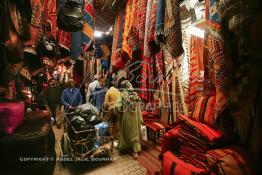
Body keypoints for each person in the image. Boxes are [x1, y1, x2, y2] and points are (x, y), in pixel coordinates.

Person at [118, 80, 143, 159]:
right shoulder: (136, 95)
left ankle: (125, 147)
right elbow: (139, 107)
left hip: (127, 117)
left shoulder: (122, 95)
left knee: (125, 132)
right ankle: (135, 151)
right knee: (135, 133)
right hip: (135, 118)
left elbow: (119, 107)